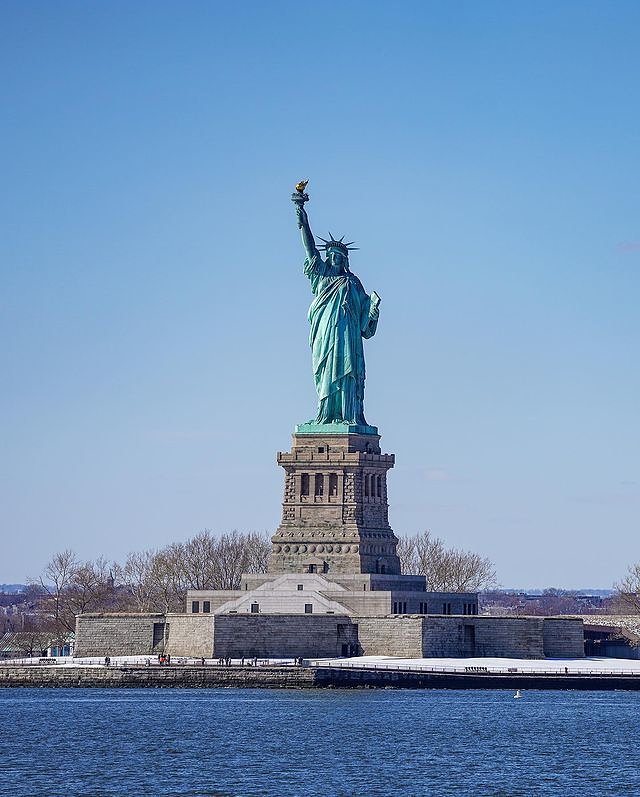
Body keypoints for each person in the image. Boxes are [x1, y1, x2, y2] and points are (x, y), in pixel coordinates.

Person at [293, 200, 380, 426]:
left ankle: (349, 415)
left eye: (339, 257)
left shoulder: (352, 283)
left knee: (348, 372)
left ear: (345, 260)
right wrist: (303, 220)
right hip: (324, 334)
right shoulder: (321, 276)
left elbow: (365, 323)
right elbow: (310, 249)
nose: (334, 259)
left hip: (348, 337)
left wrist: (372, 309)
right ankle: (325, 414)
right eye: (331, 256)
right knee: (325, 374)